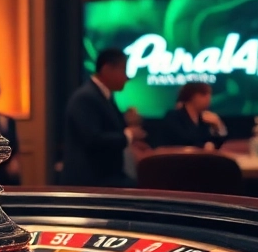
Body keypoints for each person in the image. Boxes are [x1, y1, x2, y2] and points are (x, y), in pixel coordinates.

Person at [61, 48, 145, 187]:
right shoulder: (85, 97)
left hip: (104, 178)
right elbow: (93, 140)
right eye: (123, 70)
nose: (127, 77)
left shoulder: (104, 95)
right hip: (90, 182)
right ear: (106, 69)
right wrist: (129, 136)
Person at [155, 82, 228, 149]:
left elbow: (219, 143)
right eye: (204, 94)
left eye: (209, 94)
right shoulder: (173, 116)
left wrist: (218, 124)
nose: (209, 98)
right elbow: (183, 140)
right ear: (192, 97)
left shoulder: (206, 119)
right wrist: (204, 146)